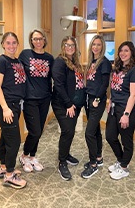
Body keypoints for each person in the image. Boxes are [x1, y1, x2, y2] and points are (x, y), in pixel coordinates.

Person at [0, 32, 27, 189]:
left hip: (15, 106)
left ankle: (4, 166)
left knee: (6, 137)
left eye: (14, 43)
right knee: (14, 140)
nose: (11, 46)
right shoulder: (1, 61)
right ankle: (9, 175)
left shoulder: (17, 61)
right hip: (7, 107)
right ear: (3, 44)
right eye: (8, 43)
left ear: (18, 44)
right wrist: (5, 108)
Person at [18, 29, 54, 172]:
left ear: (44, 40)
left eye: (40, 38)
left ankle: (32, 156)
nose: (38, 41)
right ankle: (24, 155)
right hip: (30, 99)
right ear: (31, 41)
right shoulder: (25, 55)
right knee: (35, 131)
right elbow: (17, 73)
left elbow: (53, 77)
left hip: (45, 98)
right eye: (35, 39)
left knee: (40, 129)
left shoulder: (49, 58)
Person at [105, 41, 135, 180]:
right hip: (115, 107)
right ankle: (121, 161)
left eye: (126, 50)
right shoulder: (117, 68)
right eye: (121, 51)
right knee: (110, 136)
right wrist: (110, 101)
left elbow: (133, 95)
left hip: (127, 110)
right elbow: (113, 88)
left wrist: (126, 114)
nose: (123, 53)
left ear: (131, 52)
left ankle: (124, 167)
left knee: (126, 141)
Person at [52, 36, 85, 181]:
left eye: (72, 45)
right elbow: (58, 85)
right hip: (63, 104)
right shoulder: (59, 62)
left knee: (70, 132)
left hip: (75, 104)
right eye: (67, 45)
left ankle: (66, 154)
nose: (70, 47)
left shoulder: (74, 62)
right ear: (62, 46)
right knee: (67, 131)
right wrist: (68, 104)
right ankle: (62, 162)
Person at [81, 35, 112, 179]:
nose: (96, 47)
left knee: (89, 133)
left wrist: (98, 99)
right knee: (95, 130)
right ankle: (98, 158)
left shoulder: (104, 63)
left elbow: (104, 84)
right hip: (89, 99)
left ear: (102, 46)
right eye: (94, 44)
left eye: (99, 45)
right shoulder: (92, 62)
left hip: (96, 100)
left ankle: (93, 165)